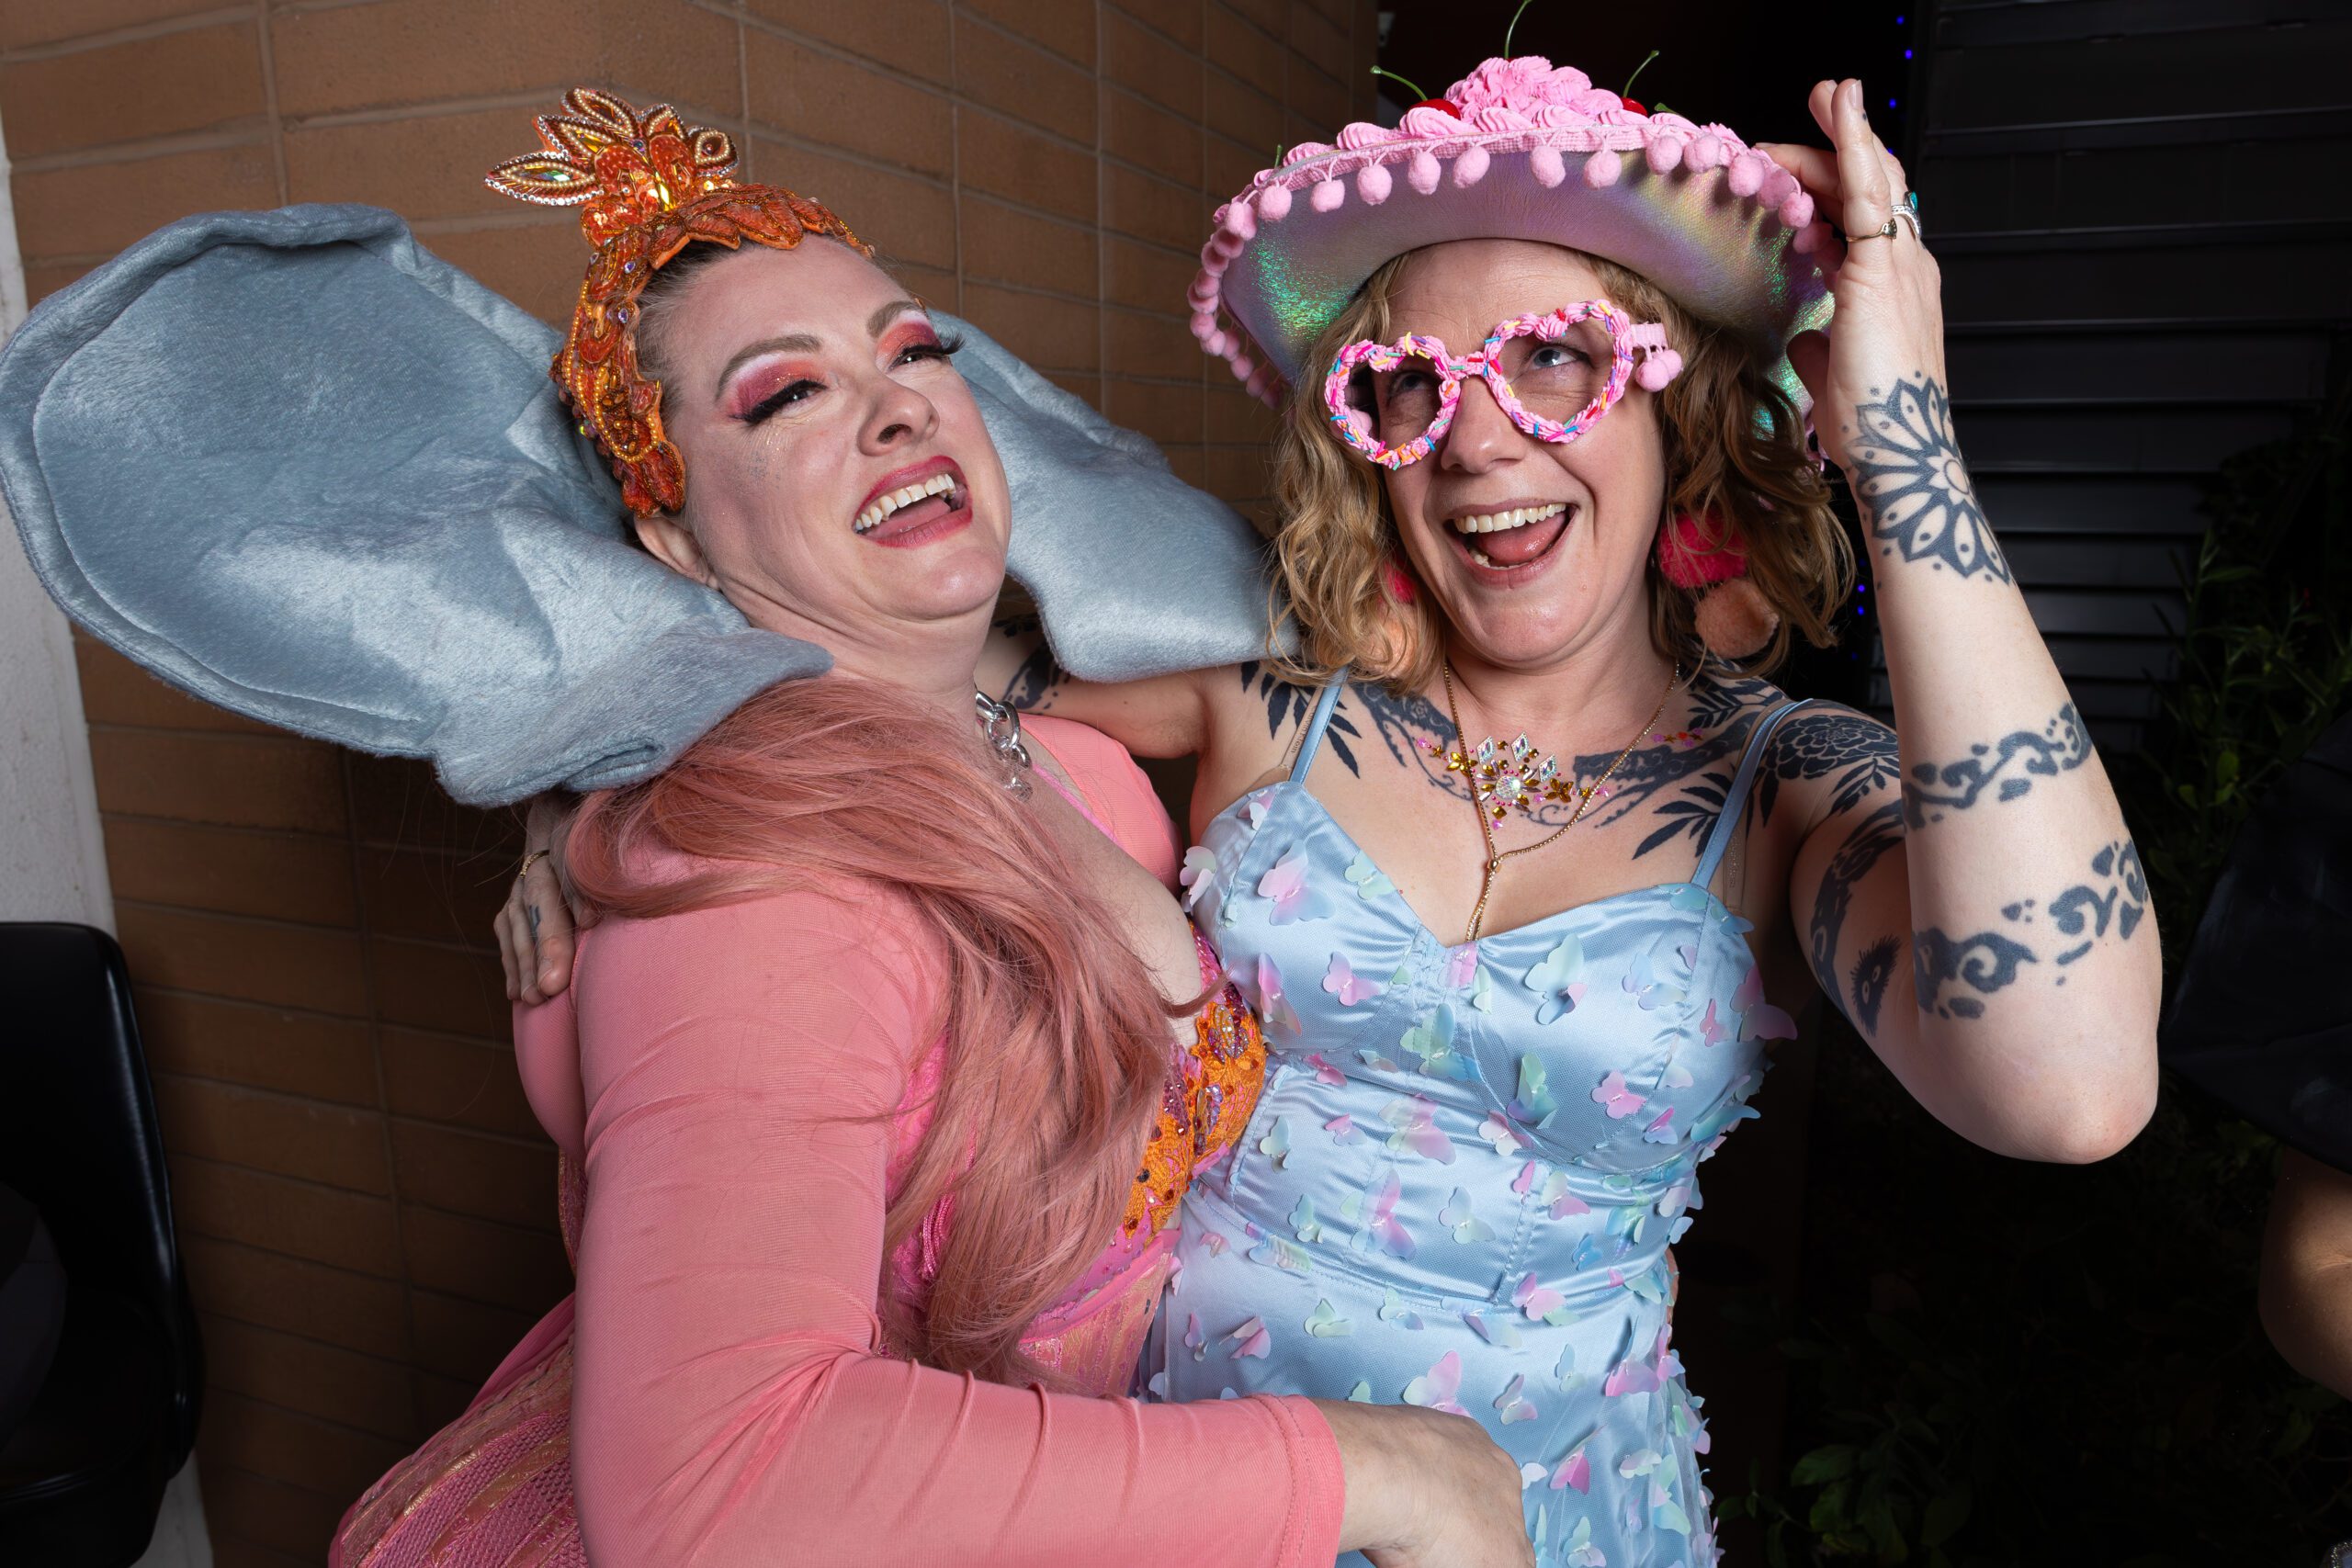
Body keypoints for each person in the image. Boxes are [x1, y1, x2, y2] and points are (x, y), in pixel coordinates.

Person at [506, 62, 2165, 1565]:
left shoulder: (1791, 787)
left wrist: (1899, 446)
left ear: (1675, 405)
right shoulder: (1258, 701)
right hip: (1181, 1482)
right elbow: (887, 704)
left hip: (1550, 1522)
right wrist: (613, 781)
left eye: (1557, 364)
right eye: (1409, 390)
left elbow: (2073, 1083)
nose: (1479, 447)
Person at [296, 90, 1526, 1568]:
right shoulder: (747, 888)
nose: (899, 404)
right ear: (672, 532)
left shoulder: (1077, 757)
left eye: (915, 351)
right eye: (785, 396)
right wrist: (1380, 1475)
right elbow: (716, 1489)